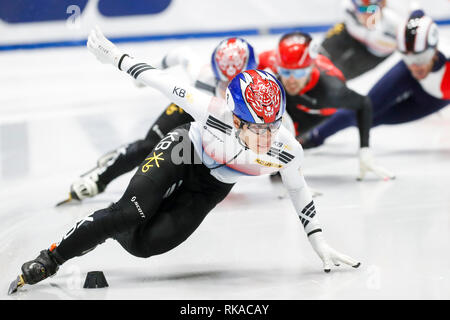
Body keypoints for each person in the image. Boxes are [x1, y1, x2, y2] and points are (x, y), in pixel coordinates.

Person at [10, 28, 360, 293]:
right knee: (129, 213)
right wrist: (114, 56)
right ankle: (52, 257)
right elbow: (158, 79)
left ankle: (109, 228)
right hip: (184, 150)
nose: (267, 137)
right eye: (257, 128)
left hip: (211, 186)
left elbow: (299, 191)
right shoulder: (210, 110)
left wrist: (319, 242)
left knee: (146, 246)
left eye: (273, 126)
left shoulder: (287, 148)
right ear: (235, 119)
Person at [62, 37, 259, 204]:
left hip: (219, 122)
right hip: (191, 107)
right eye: (223, 82)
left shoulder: (261, 87)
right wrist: (149, 71)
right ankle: (99, 177)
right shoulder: (202, 74)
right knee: (149, 147)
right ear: (216, 73)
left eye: (236, 81)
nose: (230, 88)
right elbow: (182, 53)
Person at [299, 11, 450, 157]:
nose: (415, 66)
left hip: (431, 99)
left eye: (420, 59)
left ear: (434, 49)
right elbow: (417, 13)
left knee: (369, 121)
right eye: (407, 57)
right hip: (406, 77)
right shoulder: (410, 67)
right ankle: (311, 136)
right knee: (363, 110)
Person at [258, 31, 394, 180]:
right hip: (292, 99)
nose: (291, 79)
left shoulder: (331, 90)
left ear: (311, 68)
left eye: (298, 73)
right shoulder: (273, 61)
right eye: (285, 71)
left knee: (276, 149)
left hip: (315, 110)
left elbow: (364, 103)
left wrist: (364, 150)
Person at [320, 0, 401, 80]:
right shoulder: (347, 7)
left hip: (372, 53)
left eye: (372, 9)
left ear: (383, 5)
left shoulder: (395, 26)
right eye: (362, 9)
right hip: (351, 35)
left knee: (338, 78)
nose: (367, 15)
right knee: (319, 56)